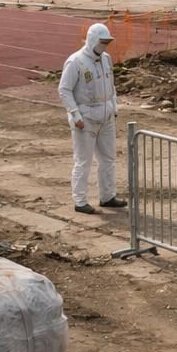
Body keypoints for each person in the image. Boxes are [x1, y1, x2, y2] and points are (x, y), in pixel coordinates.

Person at [58, 22, 125, 214]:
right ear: (92, 40)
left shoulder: (106, 59)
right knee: (83, 161)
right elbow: (64, 90)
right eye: (102, 42)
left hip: (106, 117)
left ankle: (108, 196)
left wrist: (114, 107)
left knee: (109, 159)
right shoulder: (76, 61)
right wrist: (75, 114)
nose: (104, 46)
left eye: (107, 42)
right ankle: (80, 201)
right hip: (85, 119)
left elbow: (111, 85)